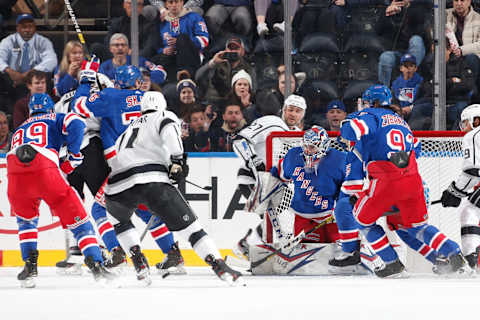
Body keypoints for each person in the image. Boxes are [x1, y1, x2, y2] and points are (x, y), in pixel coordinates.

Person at [103, 91, 243, 285]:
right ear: (162, 105)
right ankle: (218, 264)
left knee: (121, 222)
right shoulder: (164, 116)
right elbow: (170, 137)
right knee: (192, 230)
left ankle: (138, 261)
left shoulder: (126, 132)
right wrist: (177, 161)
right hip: (151, 180)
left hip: (116, 186)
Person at [340, 84, 469, 277]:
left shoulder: (372, 115)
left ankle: (391, 262)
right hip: (412, 180)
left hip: (386, 180)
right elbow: (416, 149)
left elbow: (350, 132)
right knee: (417, 227)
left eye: (367, 103)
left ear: (374, 103)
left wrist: (349, 121)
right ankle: (453, 252)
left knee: (361, 219)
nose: (364, 106)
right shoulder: (401, 121)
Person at [73, 63, 185, 279]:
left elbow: (79, 106)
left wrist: (87, 80)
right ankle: (173, 254)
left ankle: (117, 253)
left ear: (116, 82)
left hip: (123, 164)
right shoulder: (146, 100)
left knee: (99, 209)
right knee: (143, 208)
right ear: (136, 82)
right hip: (150, 162)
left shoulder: (111, 96)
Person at [8, 93, 115, 287]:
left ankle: (29, 265)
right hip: (44, 167)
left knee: (26, 222)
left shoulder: (19, 129)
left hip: (14, 171)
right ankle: (95, 263)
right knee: (79, 220)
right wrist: (73, 155)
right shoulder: (54, 117)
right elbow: (77, 123)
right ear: (50, 108)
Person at [232, 89, 297, 258]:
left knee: (276, 215)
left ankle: (246, 244)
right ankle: (247, 245)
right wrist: (254, 162)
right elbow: (240, 140)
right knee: (277, 214)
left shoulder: (280, 125)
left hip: (268, 181)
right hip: (258, 180)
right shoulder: (270, 122)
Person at [439, 104, 480, 270]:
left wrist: (454, 192)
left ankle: (472, 259)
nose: (463, 128)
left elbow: (473, 170)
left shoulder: (474, 135)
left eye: (465, 123)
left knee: (468, 210)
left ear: (476, 121)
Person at [0, 14, 57, 111]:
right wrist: (10, 71)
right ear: (17, 28)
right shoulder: (8, 41)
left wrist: (30, 73)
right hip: (13, 83)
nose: (27, 30)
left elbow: (51, 60)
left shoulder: (43, 42)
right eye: (24, 27)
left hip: (35, 81)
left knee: (45, 74)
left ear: (34, 27)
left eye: (30, 26)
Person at [376, 0, 431, 86]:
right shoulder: (390, 7)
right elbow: (378, 31)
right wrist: (387, 14)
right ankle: (383, 92)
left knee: (416, 40)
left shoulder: (419, 6)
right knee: (385, 57)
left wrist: (407, 8)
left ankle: (407, 84)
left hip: (417, 52)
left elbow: (419, 26)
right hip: (399, 52)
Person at [150, 0, 209, 80]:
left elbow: (204, 40)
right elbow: (156, 44)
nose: (174, 5)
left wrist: (180, 42)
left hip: (191, 57)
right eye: (171, 2)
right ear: (166, 4)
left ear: (182, 2)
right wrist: (163, 50)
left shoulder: (194, 17)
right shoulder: (162, 21)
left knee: (182, 38)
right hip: (171, 57)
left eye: (176, 2)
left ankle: (185, 72)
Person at [195, 37, 254, 104]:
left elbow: (253, 89)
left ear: (243, 51)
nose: (233, 51)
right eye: (230, 49)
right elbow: (198, 77)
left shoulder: (248, 69)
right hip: (213, 102)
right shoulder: (216, 64)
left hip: (236, 104)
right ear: (225, 50)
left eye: (236, 49)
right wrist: (213, 62)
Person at [99, 33, 166, 86]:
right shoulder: (104, 67)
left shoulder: (139, 61)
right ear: (110, 48)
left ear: (128, 48)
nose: (120, 48)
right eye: (116, 45)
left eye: (123, 45)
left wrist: (143, 79)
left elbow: (161, 72)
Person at [446, 0, 480, 90]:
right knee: (432, 57)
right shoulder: (444, 15)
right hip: (449, 55)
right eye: (456, 0)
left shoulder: (478, 19)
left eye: (462, 0)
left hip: (467, 57)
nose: (459, 3)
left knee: (471, 58)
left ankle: (472, 92)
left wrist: (462, 50)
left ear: (469, 1)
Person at [391, 53, 424, 121]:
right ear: (401, 68)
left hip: (415, 113)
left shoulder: (421, 82)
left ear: (415, 68)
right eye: (405, 66)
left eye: (411, 65)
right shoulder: (395, 83)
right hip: (399, 113)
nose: (408, 68)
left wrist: (410, 107)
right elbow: (394, 101)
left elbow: (423, 99)